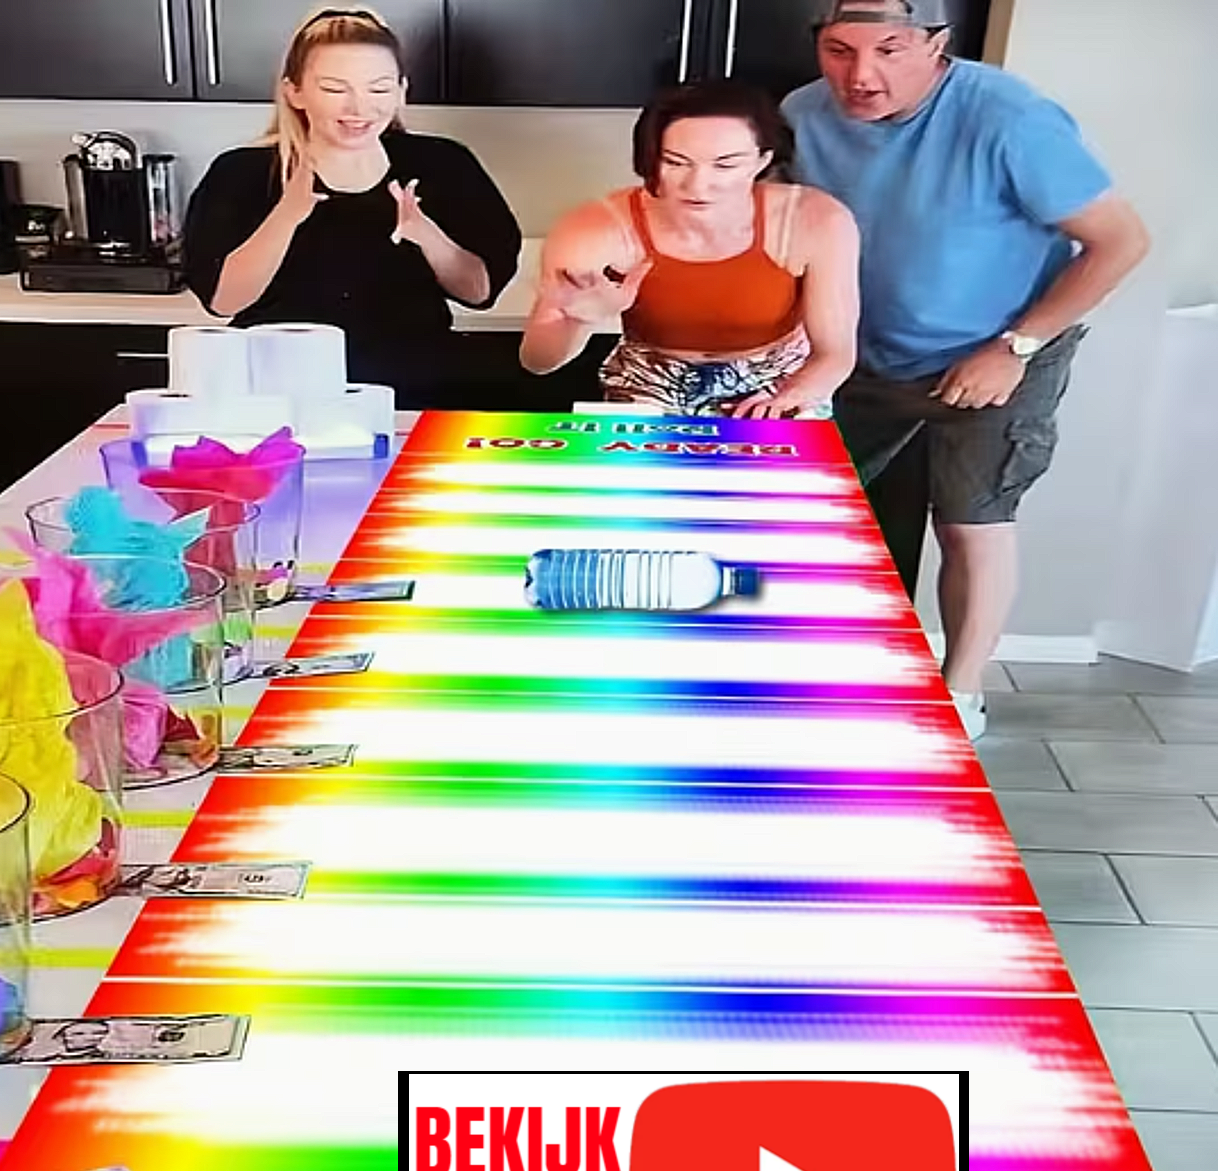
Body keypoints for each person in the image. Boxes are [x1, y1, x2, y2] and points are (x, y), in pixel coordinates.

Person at [782, 0, 1150, 739]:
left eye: (889, 50)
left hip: (998, 351)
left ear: (937, 44)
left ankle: (960, 692)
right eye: (839, 50)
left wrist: (1015, 347)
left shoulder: (1010, 116)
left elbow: (1120, 241)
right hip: (860, 354)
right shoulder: (800, 114)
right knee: (815, 513)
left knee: (970, 523)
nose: (861, 76)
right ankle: (822, 672)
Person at [183, 7, 522, 407]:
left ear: (401, 90)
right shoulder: (241, 172)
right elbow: (223, 301)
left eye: (379, 89)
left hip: (414, 391)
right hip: (279, 394)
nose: (359, 108)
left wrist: (427, 235)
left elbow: (480, 292)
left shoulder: (442, 164)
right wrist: (287, 215)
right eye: (334, 89)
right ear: (294, 92)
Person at [520, 80, 859, 419]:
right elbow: (536, 362)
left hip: (779, 380)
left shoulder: (816, 220)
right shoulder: (594, 229)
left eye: (725, 165)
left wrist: (789, 396)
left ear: (762, 160)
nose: (697, 186)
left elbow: (835, 354)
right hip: (650, 382)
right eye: (675, 162)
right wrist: (576, 319)